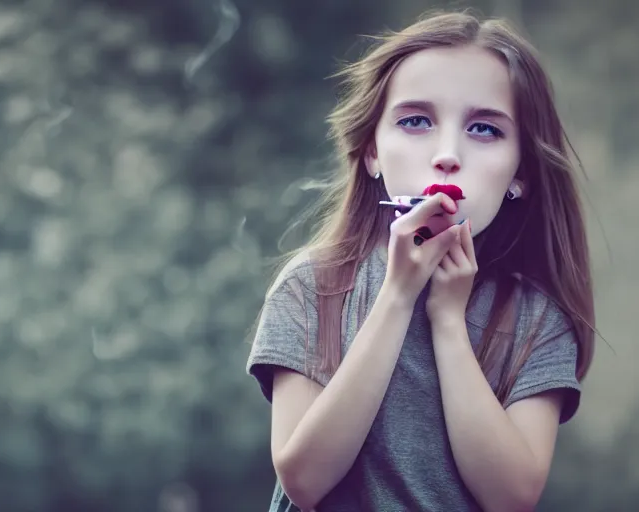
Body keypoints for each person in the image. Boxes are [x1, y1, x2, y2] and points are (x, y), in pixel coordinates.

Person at [245, 9, 595, 512]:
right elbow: (304, 478)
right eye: (415, 121)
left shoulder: (537, 320)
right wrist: (398, 295)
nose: (447, 153)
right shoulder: (312, 287)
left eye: (484, 130)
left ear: (522, 173)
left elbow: (512, 497)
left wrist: (449, 321)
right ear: (371, 153)